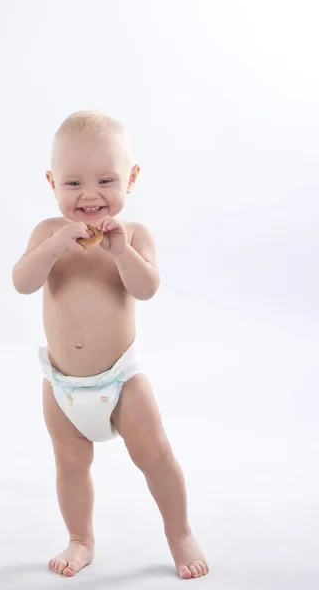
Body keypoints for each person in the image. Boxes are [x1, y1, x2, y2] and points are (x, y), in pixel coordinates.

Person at [12, 111, 209, 579]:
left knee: (156, 456)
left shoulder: (135, 236)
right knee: (70, 465)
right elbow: (22, 282)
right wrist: (52, 249)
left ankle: (179, 532)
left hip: (122, 380)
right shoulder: (47, 234)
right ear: (52, 182)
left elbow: (147, 288)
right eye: (73, 183)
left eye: (105, 179)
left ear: (132, 178)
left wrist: (122, 253)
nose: (89, 195)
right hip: (61, 386)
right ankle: (80, 538)